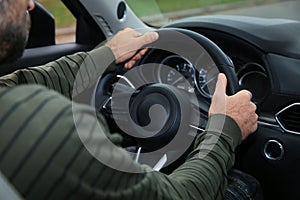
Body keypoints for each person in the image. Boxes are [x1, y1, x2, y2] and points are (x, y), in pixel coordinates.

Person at [0, 0, 258, 199]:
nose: (31, 4)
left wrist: (104, 56)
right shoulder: (45, 128)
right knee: (244, 185)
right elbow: (181, 195)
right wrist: (224, 130)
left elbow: (12, 84)